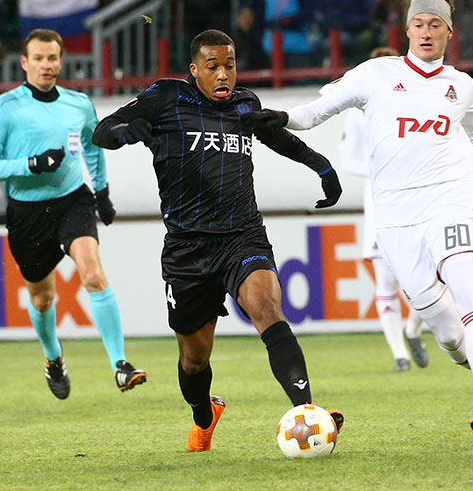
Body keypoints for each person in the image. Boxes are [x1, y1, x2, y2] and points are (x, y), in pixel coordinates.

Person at [246, 0, 473, 446]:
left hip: (450, 200)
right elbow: (318, 110)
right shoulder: (376, 74)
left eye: (436, 25)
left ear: (450, 32)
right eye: (419, 24)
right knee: (446, 331)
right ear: (407, 29)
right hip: (395, 215)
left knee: (469, 293)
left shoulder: (460, 85)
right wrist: (281, 117)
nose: (426, 32)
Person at [92, 29, 344, 452]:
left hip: (242, 235)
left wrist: (322, 167)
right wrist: (126, 132)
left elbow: (275, 135)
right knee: (194, 360)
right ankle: (203, 415)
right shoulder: (167, 97)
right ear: (194, 70)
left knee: (267, 309)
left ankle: (308, 411)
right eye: (213, 67)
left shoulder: (245, 104)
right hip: (187, 248)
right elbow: (103, 130)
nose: (223, 74)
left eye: (229, 65)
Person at [0, 28, 146, 400]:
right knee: (42, 299)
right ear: (24, 63)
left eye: (52, 58)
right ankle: (53, 357)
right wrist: (31, 164)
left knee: (93, 273)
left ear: (60, 61)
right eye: (38, 58)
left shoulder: (78, 104)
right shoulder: (4, 108)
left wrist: (101, 193)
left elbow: (93, 146)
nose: (46, 65)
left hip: (72, 201)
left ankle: (120, 364)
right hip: (27, 213)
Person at [338, 45, 428, 372]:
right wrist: (379, 171)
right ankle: (399, 353)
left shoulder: (417, 104)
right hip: (380, 203)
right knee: (386, 281)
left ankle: (412, 329)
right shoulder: (358, 113)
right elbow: (347, 160)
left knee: (429, 277)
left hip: (418, 199)